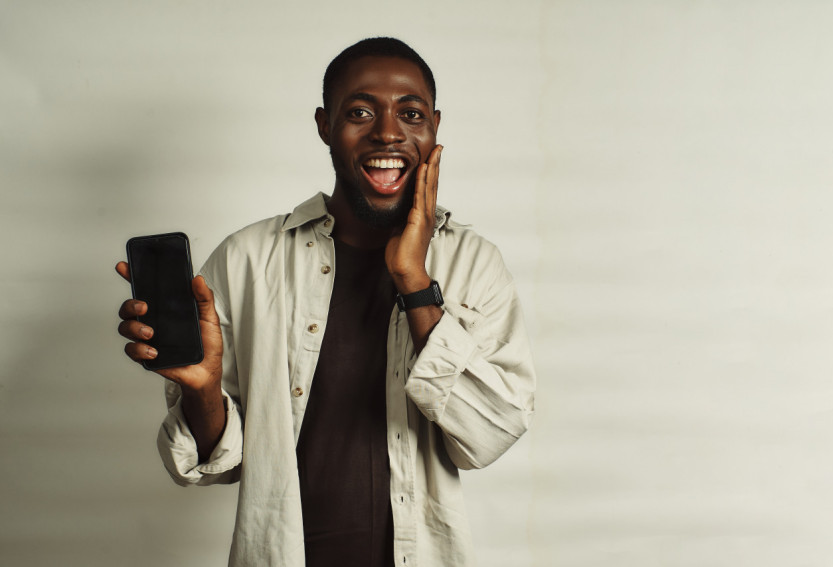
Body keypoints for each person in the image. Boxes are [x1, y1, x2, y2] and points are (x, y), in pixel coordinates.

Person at [116, 37, 535, 567]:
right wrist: (202, 391)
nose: (388, 132)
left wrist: (414, 280)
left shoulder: (474, 263)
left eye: (411, 113)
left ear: (434, 127)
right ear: (324, 126)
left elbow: (489, 435)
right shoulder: (246, 259)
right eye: (360, 112)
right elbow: (214, 465)